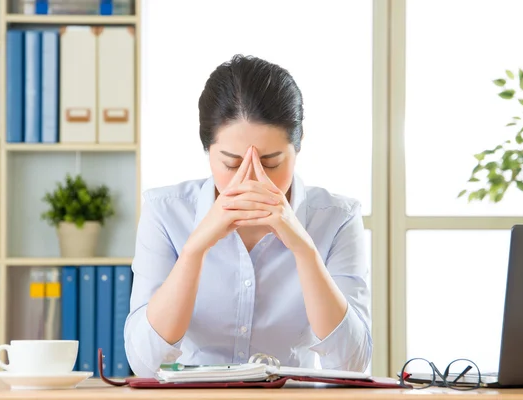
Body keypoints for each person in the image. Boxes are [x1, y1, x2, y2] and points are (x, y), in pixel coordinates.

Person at [124, 54, 372, 378]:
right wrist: (195, 249)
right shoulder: (165, 212)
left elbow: (352, 364)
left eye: (270, 163)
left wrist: (304, 250)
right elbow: (144, 364)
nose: (251, 180)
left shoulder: (337, 219)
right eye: (230, 164)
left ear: (298, 147)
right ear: (207, 151)